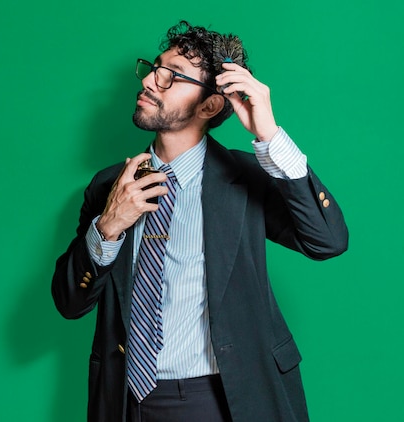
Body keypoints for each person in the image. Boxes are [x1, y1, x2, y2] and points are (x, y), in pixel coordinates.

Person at [51, 21, 348, 422]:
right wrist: (108, 226)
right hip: (124, 400)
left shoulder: (245, 178)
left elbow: (327, 241)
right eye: (155, 68)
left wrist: (270, 135)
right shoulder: (110, 185)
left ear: (209, 106)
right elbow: (70, 303)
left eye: (171, 76)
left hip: (224, 398)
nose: (151, 82)